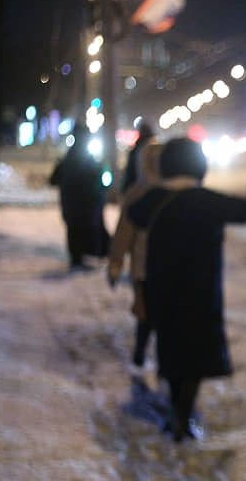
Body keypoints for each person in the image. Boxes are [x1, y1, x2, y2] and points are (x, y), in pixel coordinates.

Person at [127, 136, 246, 442]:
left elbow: (133, 214)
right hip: (201, 294)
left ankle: (178, 414)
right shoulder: (207, 201)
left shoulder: (154, 200)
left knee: (171, 351)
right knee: (196, 357)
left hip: (162, 289)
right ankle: (183, 415)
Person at [107, 142, 163, 381]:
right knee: (150, 313)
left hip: (147, 269)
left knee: (149, 314)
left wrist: (117, 263)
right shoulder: (139, 194)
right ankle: (142, 354)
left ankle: (146, 355)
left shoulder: (141, 193)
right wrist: (116, 262)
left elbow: (122, 235)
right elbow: (123, 233)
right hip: (149, 269)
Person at [49, 124, 110, 270]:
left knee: (75, 231)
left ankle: (78, 257)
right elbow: (102, 180)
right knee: (84, 230)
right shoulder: (89, 160)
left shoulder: (68, 159)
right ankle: (85, 255)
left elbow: (53, 180)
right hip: (87, 205)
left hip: (72, 205)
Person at [121, 121, 156, 194]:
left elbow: (130, 173)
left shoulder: (135, 150)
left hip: (137, 190)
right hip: (153, 189)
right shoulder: (155, 149)